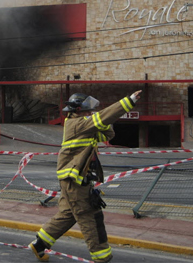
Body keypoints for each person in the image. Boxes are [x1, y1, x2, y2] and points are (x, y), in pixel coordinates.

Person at [29, 90, 142, 263]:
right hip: (75, 181)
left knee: (68, 214)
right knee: (90, 216)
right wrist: (129, 101)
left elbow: (108, 134)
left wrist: (100, 122)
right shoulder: (77, 124)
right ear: (78, 110)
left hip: (73, 180)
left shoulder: (84, 127)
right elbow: (103, 117)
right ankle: (101, 257)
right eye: (89, 110)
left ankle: (39, 245)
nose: (92, 113)